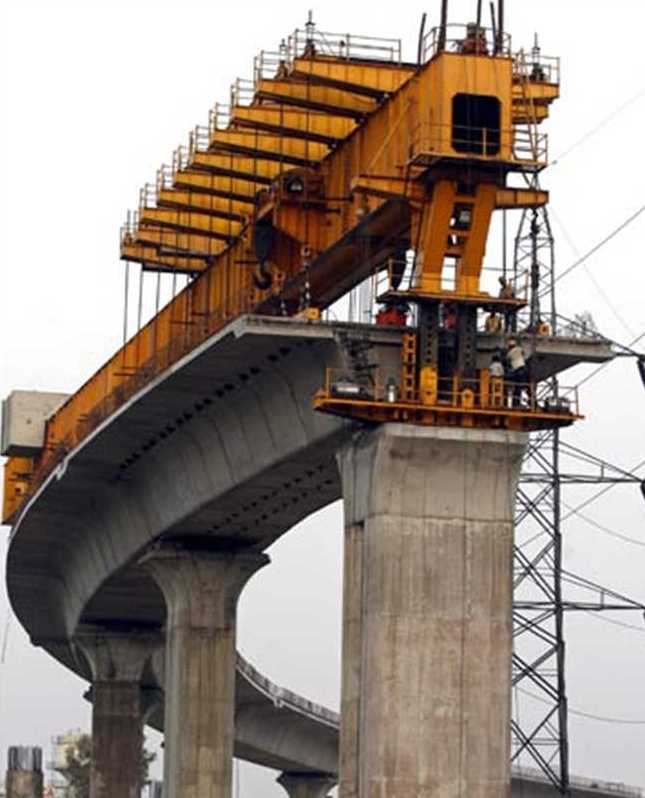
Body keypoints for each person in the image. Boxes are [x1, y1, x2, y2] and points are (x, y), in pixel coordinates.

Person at [506, 338, 528, 407]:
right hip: (523, 368)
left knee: (517, 386)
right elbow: (524, 353)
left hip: (516, 370)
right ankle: (517, 402)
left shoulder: (509, 354)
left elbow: (507, 361)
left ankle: (515, 403)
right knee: (520, 387)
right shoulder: (519, 349)